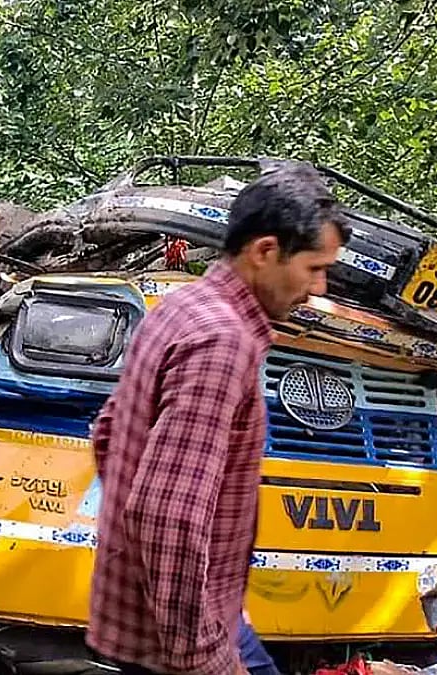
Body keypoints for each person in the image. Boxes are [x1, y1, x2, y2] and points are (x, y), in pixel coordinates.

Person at [86, 164, 349, 675]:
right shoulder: (222, 344)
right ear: (266, 251)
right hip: (176, 646)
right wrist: (203, 654)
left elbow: (108, 432)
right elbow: (168, 516)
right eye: (315, 268)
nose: (319, 288)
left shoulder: (182, 304)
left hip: (184, 614)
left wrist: (211, 594)